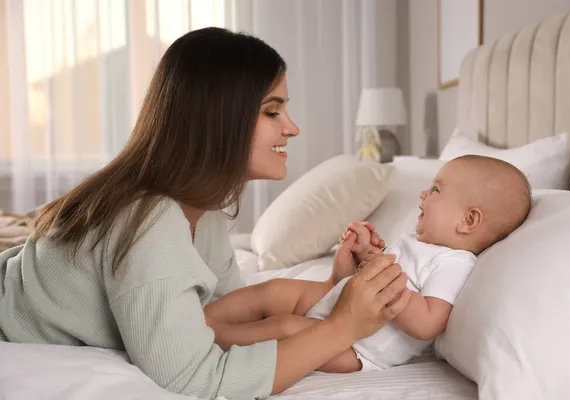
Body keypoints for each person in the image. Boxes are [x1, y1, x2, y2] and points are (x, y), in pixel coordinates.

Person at [0, 27, 412, 400]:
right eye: (273, 111)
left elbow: (219, 316)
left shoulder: (203, 208)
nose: (292, 128)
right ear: (220, 120)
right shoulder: (150, 223)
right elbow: (195, 378)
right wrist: (341, 327)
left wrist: (334, 288)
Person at [205, 155, 532, 372]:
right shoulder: (415, 243)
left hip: (357, 347)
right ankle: (200, 319)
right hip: (336, 307)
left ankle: (208, 341)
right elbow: (360, 286)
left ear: (468, 220)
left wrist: (386, 273)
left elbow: (427, 324)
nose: (423, 195)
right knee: (274, 290)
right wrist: (358, 259)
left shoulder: (454, 263)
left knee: (284, 328)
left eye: (436, 190)